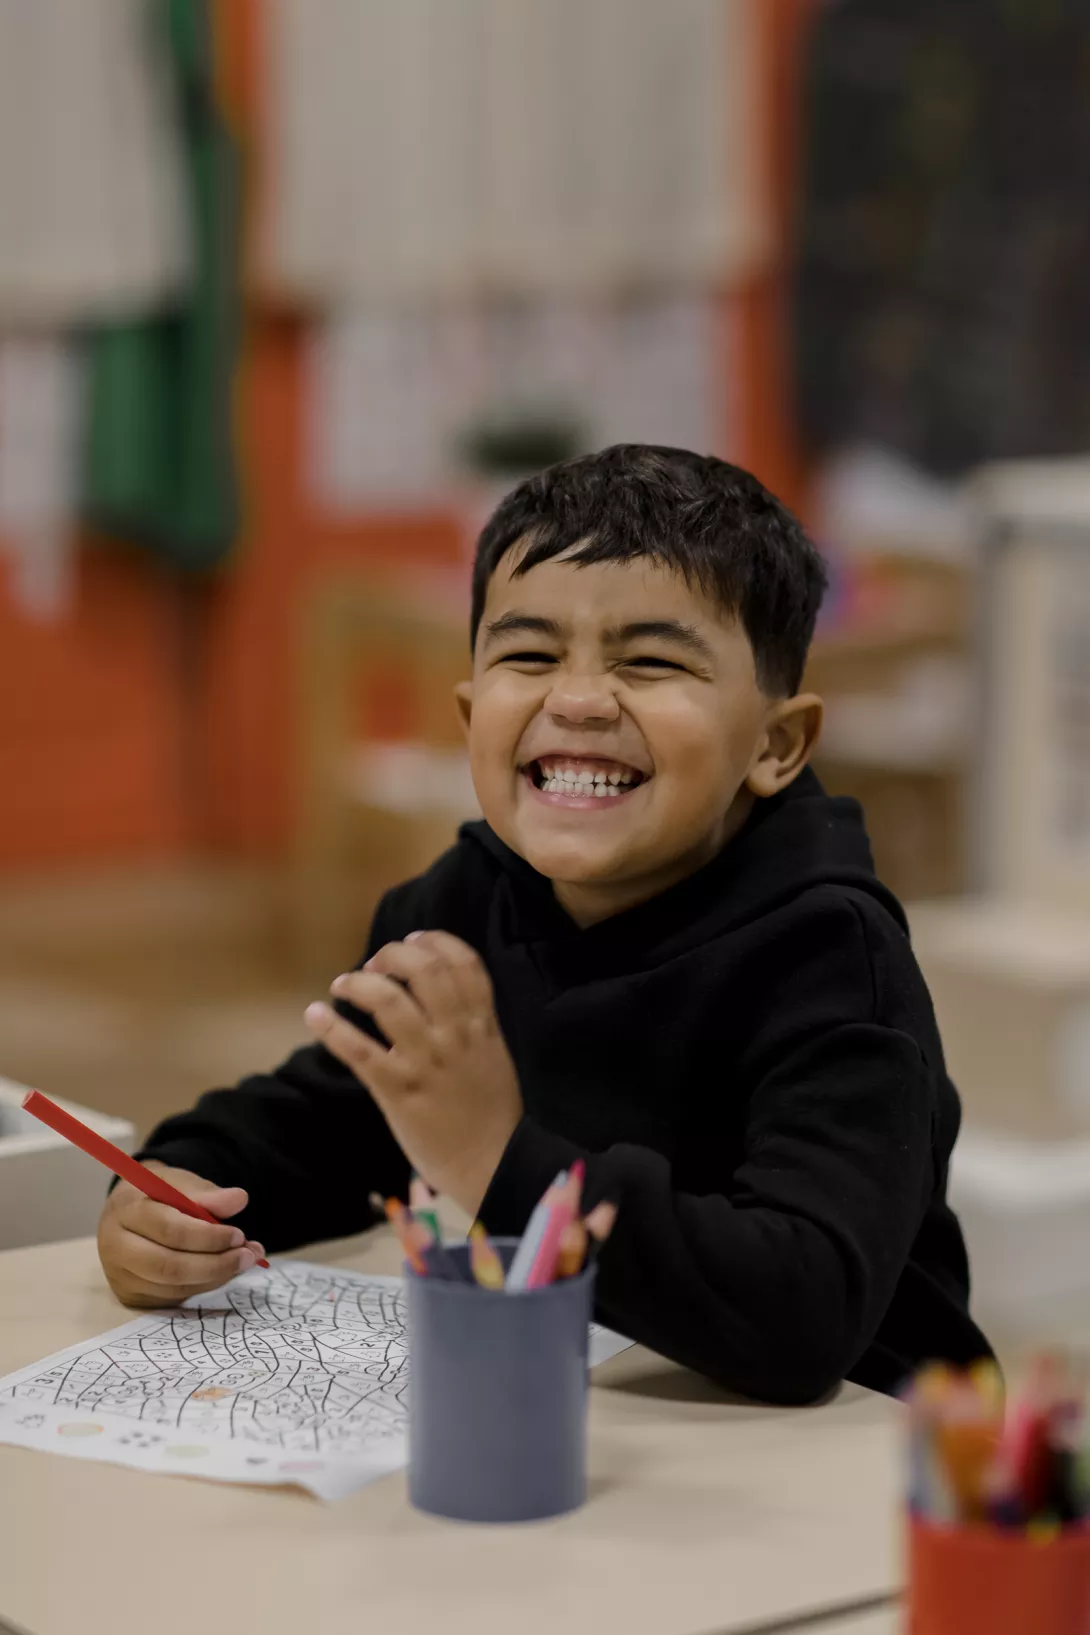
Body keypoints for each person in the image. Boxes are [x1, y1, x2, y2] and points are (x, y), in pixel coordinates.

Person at [97, 444, 991, 1403]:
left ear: (776, 744)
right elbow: (326, 1123)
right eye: (529, 655)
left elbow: (804, 1311)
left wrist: (495, 1159)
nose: (578, 700)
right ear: (470, 715)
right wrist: (172, 1190)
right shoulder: (453, 907)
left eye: (651, 661)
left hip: (852, 1461)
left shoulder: (832, 958)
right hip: (585, 1419)